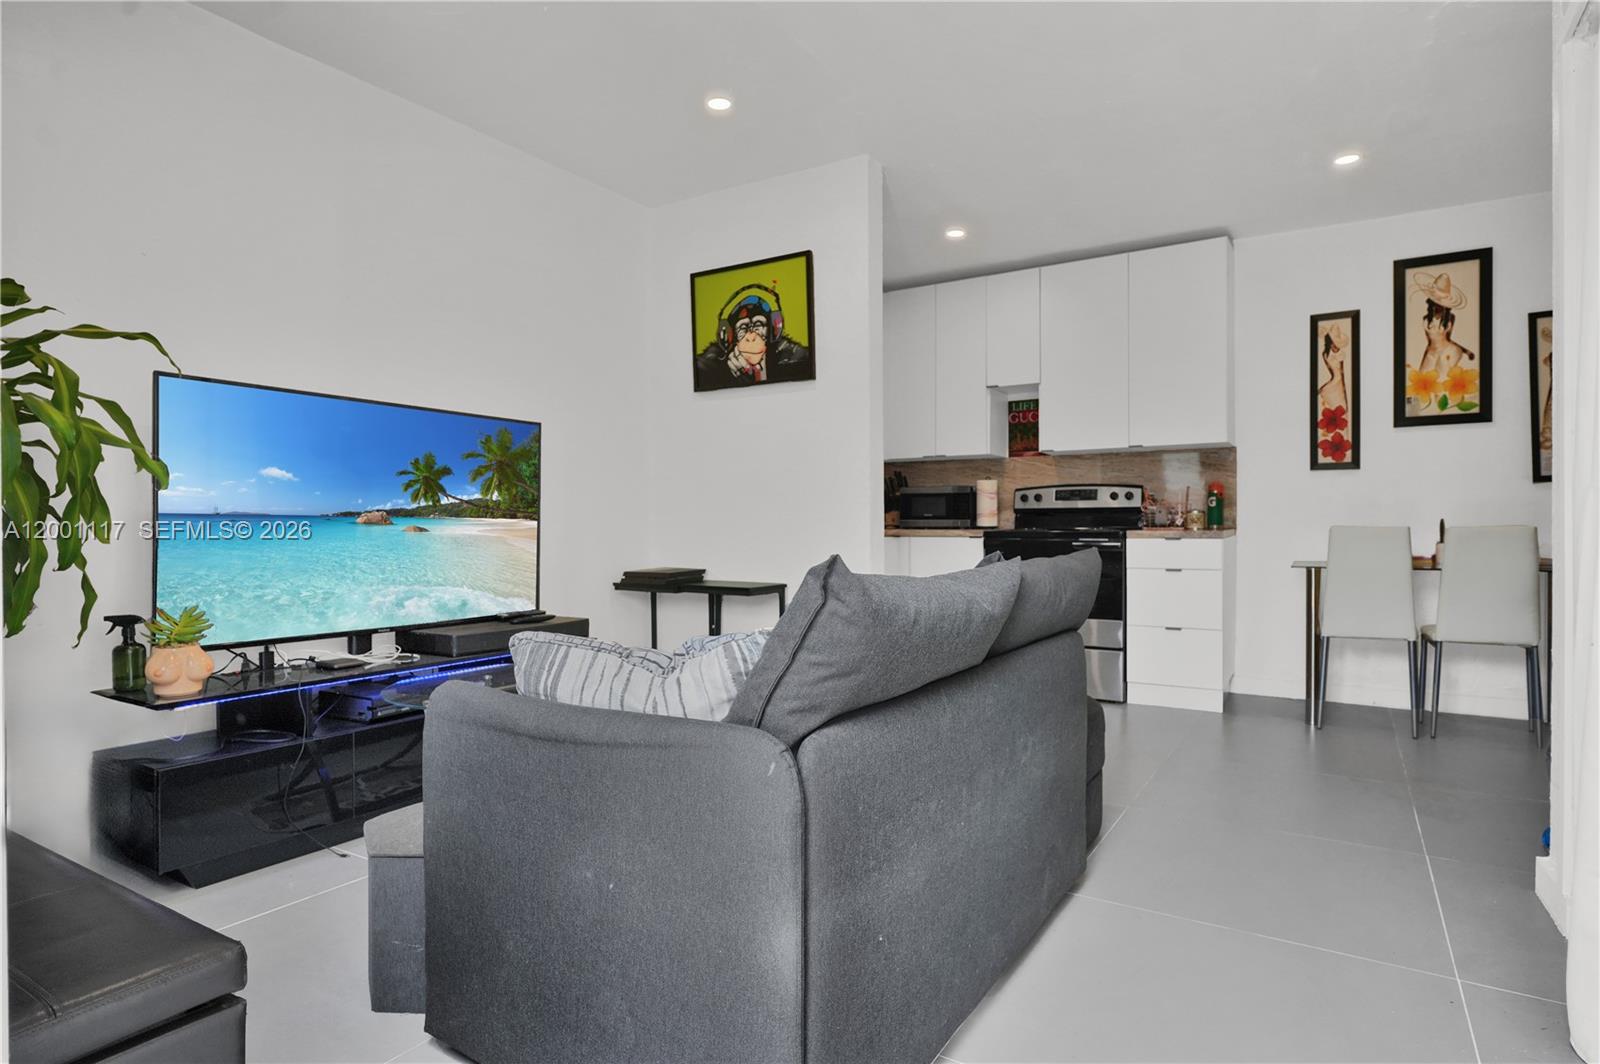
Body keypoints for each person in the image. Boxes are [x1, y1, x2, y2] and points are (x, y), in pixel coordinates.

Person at [693, 285, 812, 390]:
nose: (751, 337)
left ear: (773, 330)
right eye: (743, 327)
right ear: (729, 336)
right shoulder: (710, 365)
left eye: (758, 325)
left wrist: (760, 377)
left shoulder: (794, 357)